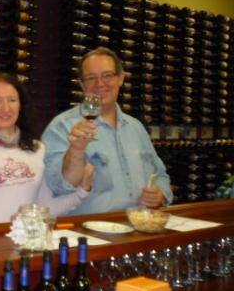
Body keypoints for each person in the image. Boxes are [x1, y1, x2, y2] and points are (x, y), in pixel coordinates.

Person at [41, 46, 172, 215]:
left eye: (107, 75)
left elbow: (160, 174)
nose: (100, 84)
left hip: (138, 225)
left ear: (121, 78)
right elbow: (59, 186)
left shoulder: (136, 128)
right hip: (87, 228)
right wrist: (76, 151)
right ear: (82, 84)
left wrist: (161, 193)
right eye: (91, 77)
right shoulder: (62, 127)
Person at [0, 73, 93, 226]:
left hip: (22, 240)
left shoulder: (37, 149)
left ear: (20, 105)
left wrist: (82, 191)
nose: (6, 108)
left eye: (12, 100)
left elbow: (43, 208)